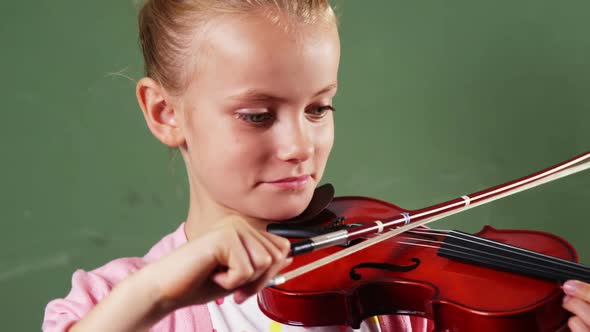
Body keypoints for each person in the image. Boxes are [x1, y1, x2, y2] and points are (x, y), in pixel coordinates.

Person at [42, 1, 590, 331]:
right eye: (258, 116)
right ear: (165, 112)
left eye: (318, 108)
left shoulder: (396, 293)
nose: (300, 145)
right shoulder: (112, 303)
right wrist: (159, 295)